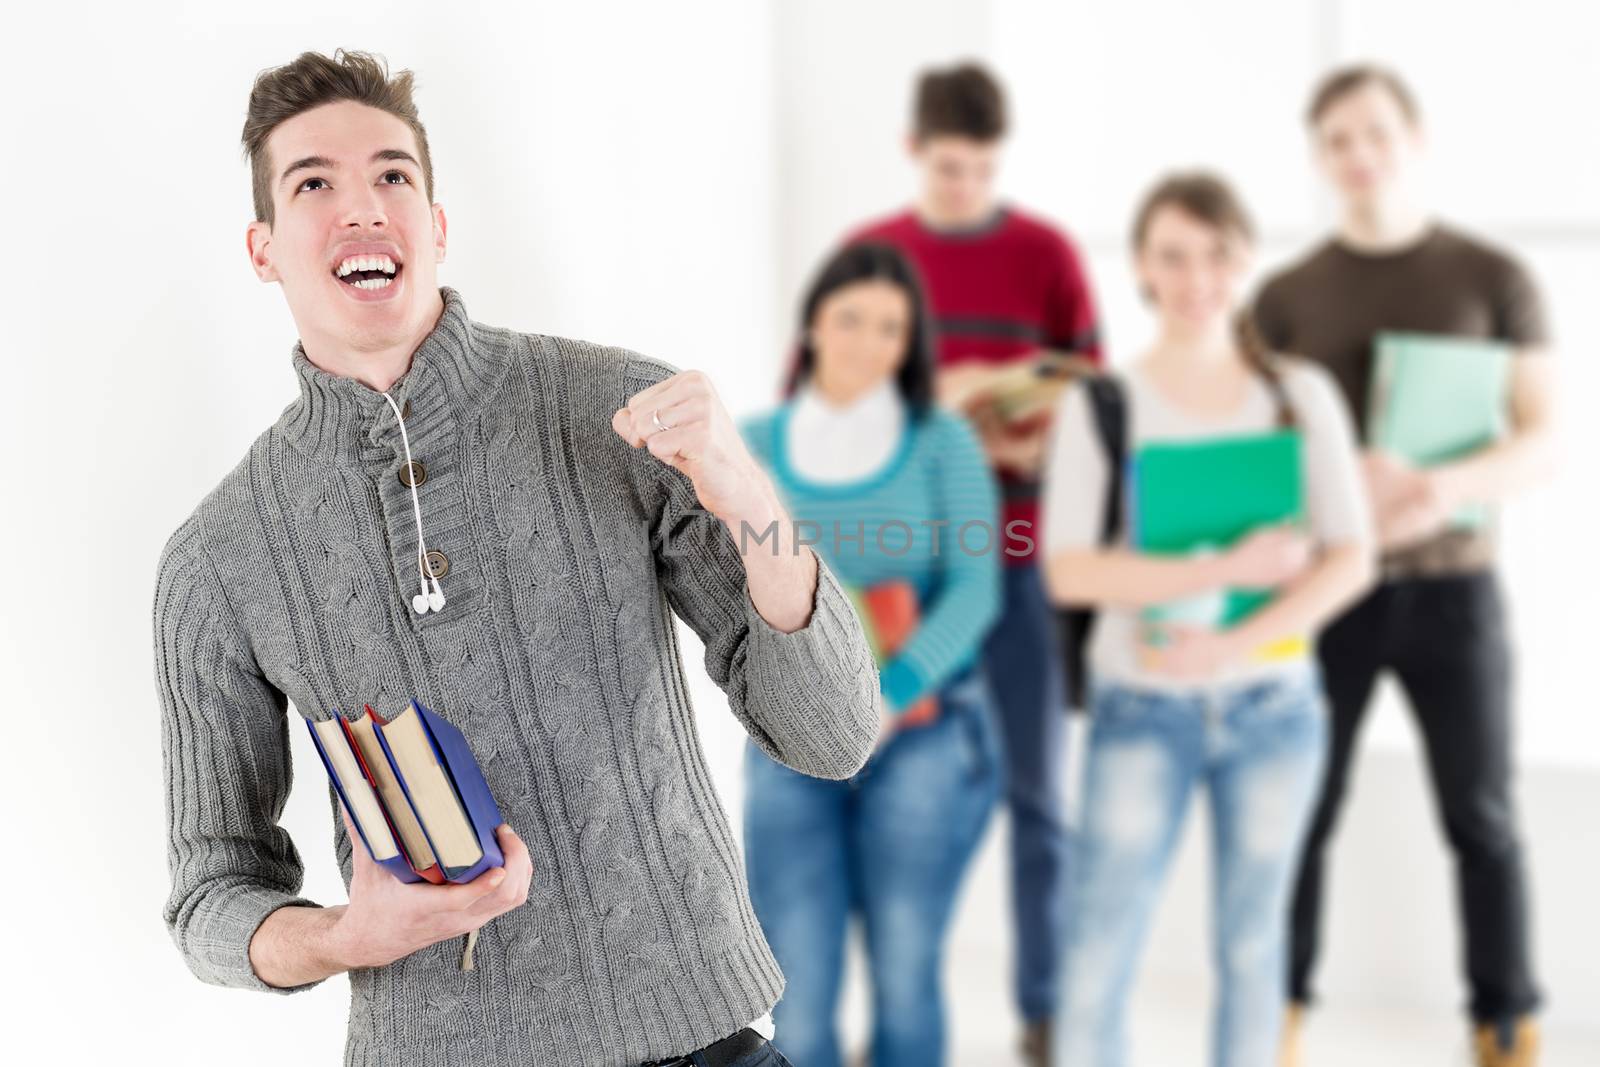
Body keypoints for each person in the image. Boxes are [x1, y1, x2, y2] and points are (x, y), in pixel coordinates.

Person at [154, 49, 880, 1067]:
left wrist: (754, 499)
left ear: (437, 227)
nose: (362, 207)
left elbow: (833, 734)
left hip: (699, 1037)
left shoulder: (619, 410)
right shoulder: (214, 559)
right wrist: (344, 936)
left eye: (393, 176)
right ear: (264, 247)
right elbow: (209, 891)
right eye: (314, 182)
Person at [1253, 66, 1560, 1067]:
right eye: (1336, 138)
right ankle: (1278, 1014)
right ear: (1318, 157)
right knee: (1300, 807)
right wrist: (1334, 481)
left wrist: (1430, 479)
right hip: (1328, 588)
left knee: (1482, 813)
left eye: (1375, 132)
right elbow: (1251, 449)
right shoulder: (1287, 295)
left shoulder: (1492, 276)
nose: (1358, 154)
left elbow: (1545, 439)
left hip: (1454, 587)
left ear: (1413, 139)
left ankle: (1505, 1022)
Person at [1042, 172, 1376, 1067]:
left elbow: (1354, 556)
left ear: (1244, 262)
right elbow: (1070, 569)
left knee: (1252, 947)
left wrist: (1228, 640)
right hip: (1139, 707)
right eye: (1173, 256)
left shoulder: (1299, 397)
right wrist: (1228, 567)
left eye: (1216, 255)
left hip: (1274, 707)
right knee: (1100, 950)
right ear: (1143, 267)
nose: (1196, 278)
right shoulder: (1100, 403)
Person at [843, 62, 1102, 1062]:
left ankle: (1044, 1011)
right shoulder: (872, 259)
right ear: (915, 152)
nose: (966, 186)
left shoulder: (1046, 254)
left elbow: (1092, 394)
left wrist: (1041, 433)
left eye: (982, 169)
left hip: (1023, 555)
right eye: (949, 169)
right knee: (900, 797)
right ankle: (901, 1013)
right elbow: (820, 421)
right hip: (907, 567)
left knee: (1040, 791)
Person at [742, 243, 1003, 1067]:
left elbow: (974, 589)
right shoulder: (751, 445)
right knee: (795, 990)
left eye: (892, 327)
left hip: (923, 737)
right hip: (791, 751)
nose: (868, 341)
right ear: (814, 321)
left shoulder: (941, 442)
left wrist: (888, 696)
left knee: (905, 971)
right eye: (850, 317)